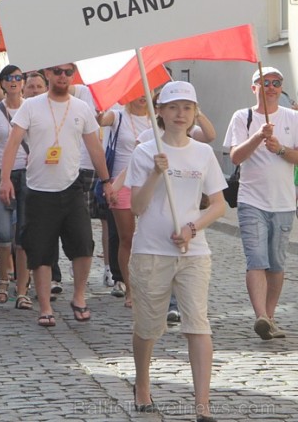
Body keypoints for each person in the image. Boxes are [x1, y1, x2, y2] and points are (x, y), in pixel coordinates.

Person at [125, 81, 225, 422]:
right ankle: (142, 385)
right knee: (149, 327)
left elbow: (218, 205)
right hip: (151, 251)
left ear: (195, 113)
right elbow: (137, 207)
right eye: (173, 107)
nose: (180, 114)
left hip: (194, 253)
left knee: (198, 324)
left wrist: (192, 229)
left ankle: (202, 405)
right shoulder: (144, 152)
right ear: (161, 113)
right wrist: (155, 172)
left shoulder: (204, 152)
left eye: (187, 107)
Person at [0, 63, 114, 327]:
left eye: (68, 72)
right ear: (47, 74)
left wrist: (107, 181)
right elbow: (13, 142)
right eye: (58, 72)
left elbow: (95, 148)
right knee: (40, 251)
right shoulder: (31, 106)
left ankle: (79, 297)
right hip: (38, 190)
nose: (63, 76)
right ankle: (46, 307)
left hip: (72, 186)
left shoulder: (81, 108)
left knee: (84, 245)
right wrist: (5, 179)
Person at [224, 67, 298, 340]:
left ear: (281, 87)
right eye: (264, 82)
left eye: (276, 83)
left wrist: (279, 148)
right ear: (254, 87)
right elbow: (235, 157)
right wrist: (258, 137)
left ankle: (270, 317)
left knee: (277, 264)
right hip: (251, 200)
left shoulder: (293, 117)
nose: (271, 87)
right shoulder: (242, 117)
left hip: (283, 202)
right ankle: (261, 316)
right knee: (257, 260)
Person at [98, 95, 153, 308]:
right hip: (121, 183)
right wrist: (99, 116)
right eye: (136, 93)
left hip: (150, 184)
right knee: (126, 238)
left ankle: (148, 286)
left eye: (145, 93)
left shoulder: (157, 120)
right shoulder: (119, 116)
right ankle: (129, 287)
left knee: (150, 237)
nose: (141, 98)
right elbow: (103, 120)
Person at [0, 65, 30, 309]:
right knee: (3, 232)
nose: (13, 82)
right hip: (1, 175)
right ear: (1, 83)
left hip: (27, 174)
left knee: (23, 234)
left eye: (17, 78)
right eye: (8, 78)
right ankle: (3, 277)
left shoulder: (31, 106)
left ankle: (22, 287)